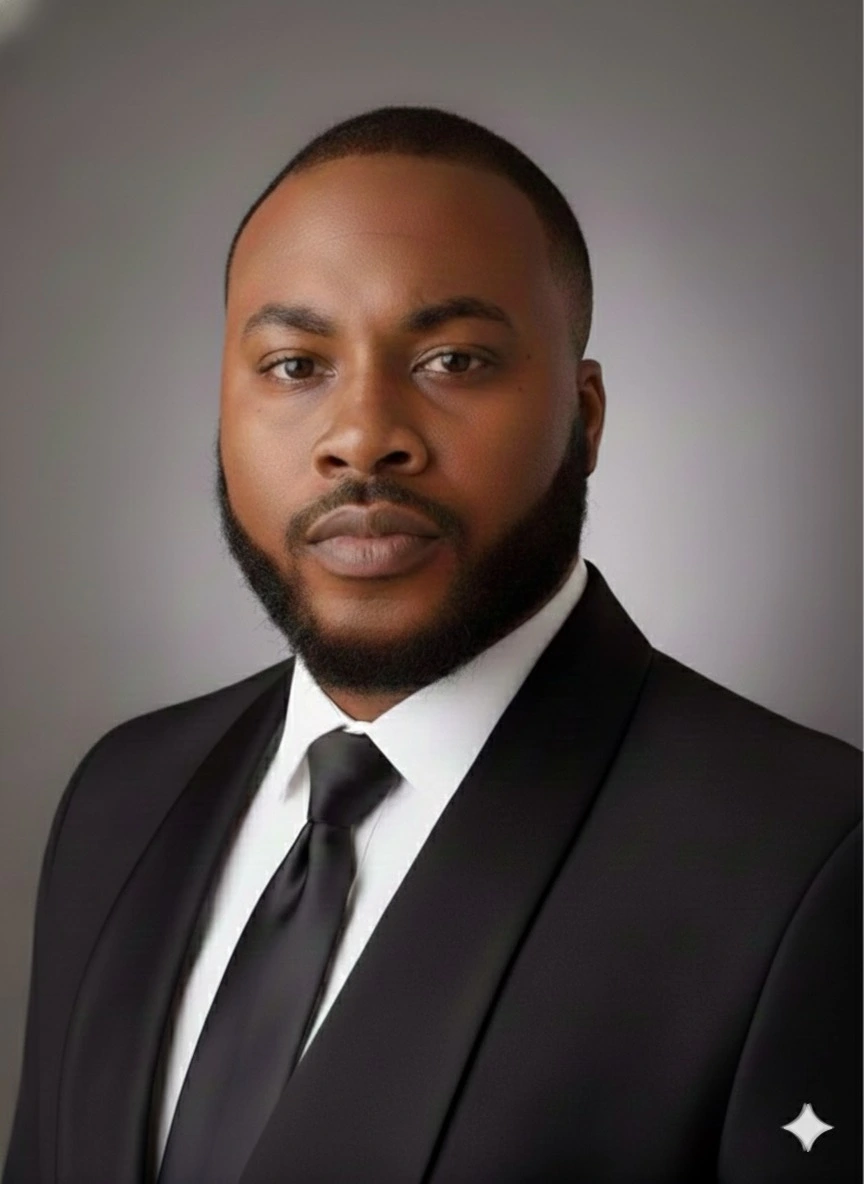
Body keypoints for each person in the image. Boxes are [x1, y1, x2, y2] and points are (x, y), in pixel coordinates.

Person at [4, 105, 860, 1184]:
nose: (364, 437)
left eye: (454, 359)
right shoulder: (121, 796)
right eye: (294, 364)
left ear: (586, 417)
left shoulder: (813, 857)